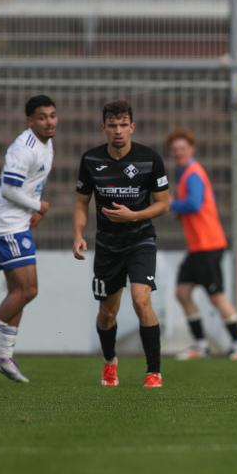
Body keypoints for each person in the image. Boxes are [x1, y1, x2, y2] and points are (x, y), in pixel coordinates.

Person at [72, 100, 171, 388]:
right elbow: (81, 203)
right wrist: (78, 234)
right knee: (107, 314)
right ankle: (110, 362)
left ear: (132, 127)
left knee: (141, 300)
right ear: (103, 127)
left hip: (141, 239)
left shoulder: (149, 158)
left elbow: (164, 204)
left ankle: (154, 372)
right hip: (107, 245)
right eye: (112, 125)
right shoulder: (90, 160)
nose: (118, 131)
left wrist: (134, 216)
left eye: (123, 124)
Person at [0, 96, 57, 383]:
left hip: (18, 222)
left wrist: (34, 210)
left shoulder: (47, 144)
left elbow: (31, 184)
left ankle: (4, 352)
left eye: (52, 116)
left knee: (18, 292)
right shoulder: (23, 148)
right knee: (28, 290)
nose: (49, 122)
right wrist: (39, 207)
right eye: (42, 117)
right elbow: (10, 190)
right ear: (29, 121)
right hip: (5, 226)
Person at [166, 128, 237, 360]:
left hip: (208, 244)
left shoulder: (193, 173)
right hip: (197, 247)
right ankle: (200, 345)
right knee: (182, 293)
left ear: (191, 149)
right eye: (175, 150)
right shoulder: (185, 174)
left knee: (216, 296)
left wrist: (172, 204)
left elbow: (194, 204)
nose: (179, 152)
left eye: (182, 148)